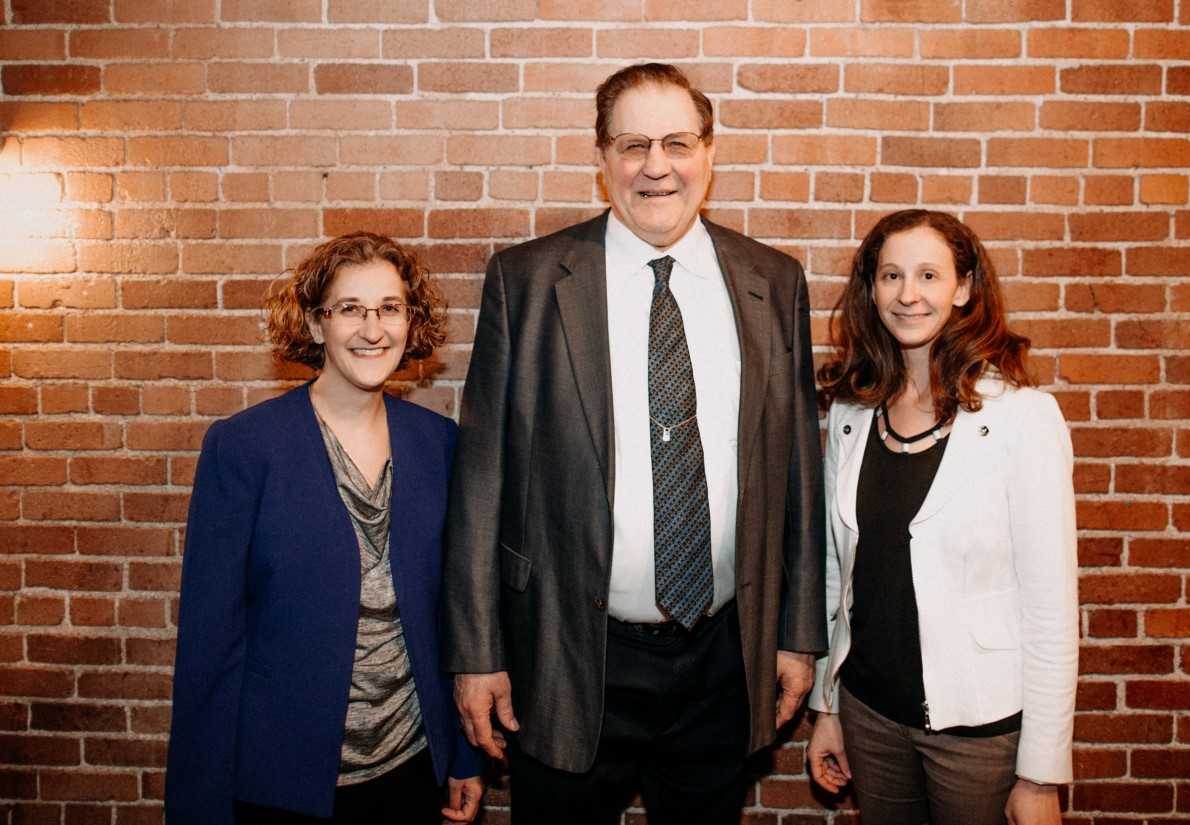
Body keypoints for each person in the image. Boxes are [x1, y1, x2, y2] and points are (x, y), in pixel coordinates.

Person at [442, 62, 826, 825]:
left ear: (709, 153)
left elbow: (799, 475)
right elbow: (480, 482)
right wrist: (477, 652)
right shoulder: (527, 282)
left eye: (678, 142)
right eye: (633, 145)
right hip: (567, 654)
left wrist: (798, 634)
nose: (657, 166)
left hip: (723, 659)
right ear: (601, 157)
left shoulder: (773, 282)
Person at [165, 232, 482, 825]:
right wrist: (199, 807)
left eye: (390, 308)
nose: (373, 329)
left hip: (414, 769)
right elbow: (210, 643)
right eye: (350, 309)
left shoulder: (438, 444)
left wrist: (462, 755)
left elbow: (454, 616)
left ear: (410, 322)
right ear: (315, 324)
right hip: (282, 780)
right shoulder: (243, 447)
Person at [805, 209, 1078, 825]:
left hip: (977, 733)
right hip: (869, 715)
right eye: (891, 275)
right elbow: (837, 576)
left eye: (928, 275)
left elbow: (1052, 608)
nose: (908, 294)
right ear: (872, 289)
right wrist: (828, 706)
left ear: (963, 288)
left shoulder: (1023, 419)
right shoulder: (853, 413)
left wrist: (1040, 775)